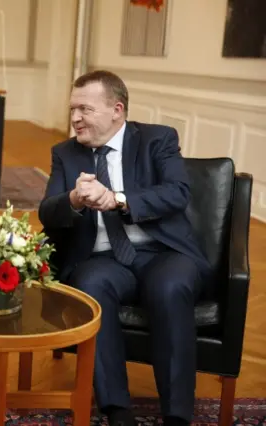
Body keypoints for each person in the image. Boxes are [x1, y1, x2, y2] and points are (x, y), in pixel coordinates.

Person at [38, 70, 211, 426]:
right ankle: (117, 410)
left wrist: (117, 199)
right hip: (103, 258)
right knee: (91, 286)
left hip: (163, 253)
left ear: (117, 109)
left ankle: (177, 414)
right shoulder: (65, 154)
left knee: (170, 286)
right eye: (73, 109)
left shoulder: (157, 140)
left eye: (84, 109)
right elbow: (47, 212)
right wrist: (73, 198)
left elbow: (177, 192)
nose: (74, 119)